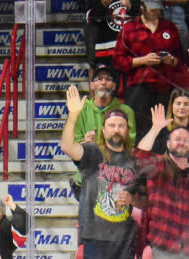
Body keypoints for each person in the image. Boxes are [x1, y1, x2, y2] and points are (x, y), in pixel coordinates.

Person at [62, 85, 138, 259]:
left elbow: (144, 198)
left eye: (121, 125)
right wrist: (74, 115)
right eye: (112, 125)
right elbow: (67, 147)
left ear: (126, 130)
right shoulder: (93, 153)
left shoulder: (134, 160)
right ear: (103, 129)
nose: (116, 129)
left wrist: (134, 199)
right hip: (96, 235)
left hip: (124, 237)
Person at [135, 108, 189, 259]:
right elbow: (139, 158)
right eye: (177, 138)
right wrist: (156, 127)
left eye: (186, 139)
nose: (182, 142)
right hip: (165, 246)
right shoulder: (158, 165)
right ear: (168, 144)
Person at [113, 0, 182, 142]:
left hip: (164, 86)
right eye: (151, 9)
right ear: (142, 7)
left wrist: (171, 60)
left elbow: (181, 57)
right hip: (139, 86)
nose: (155, 11)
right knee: (138, 127)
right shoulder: (129, 28)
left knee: (165, 128)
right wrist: (142, 60)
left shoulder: (169, 27)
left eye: (157, 9)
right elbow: (118, 60)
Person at [71, 63, 136, 198]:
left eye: (108, 79)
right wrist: (85, 143)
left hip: (115, 179)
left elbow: (130, 145)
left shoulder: (126, 111)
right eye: (99, 79)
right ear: (92, 85)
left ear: (114, 86)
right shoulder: (81, 109)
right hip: (86, 179)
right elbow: (72, 144)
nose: (103, 82)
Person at [139, 87, 189, 155]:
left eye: (186, 104)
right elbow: (141, 152)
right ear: (172, 105)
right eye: (178, 103)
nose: (182, 107)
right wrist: (155, 128)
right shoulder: (162, 128)